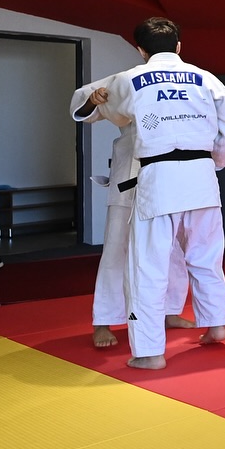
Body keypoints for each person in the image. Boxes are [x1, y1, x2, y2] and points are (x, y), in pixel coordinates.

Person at [102, 17, 225, 370]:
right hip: (201, 177)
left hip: (159, 178)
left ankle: (150, 352)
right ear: (179, 46)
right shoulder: (206, 78)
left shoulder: (130, 78)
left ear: (140, 50)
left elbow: (115, 114)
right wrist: (216, 162)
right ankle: (216, 325)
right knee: (206, 256)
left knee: (148, 265)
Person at [70, 79, 193, 348]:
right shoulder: (127, 80)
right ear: (143, 56)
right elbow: (83, 105)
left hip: (172, 172)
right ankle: (103, 321)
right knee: (117, 247)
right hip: (131, 168)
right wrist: (93, 100)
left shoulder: (188, 81)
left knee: (173, 246)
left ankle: (170, 310)